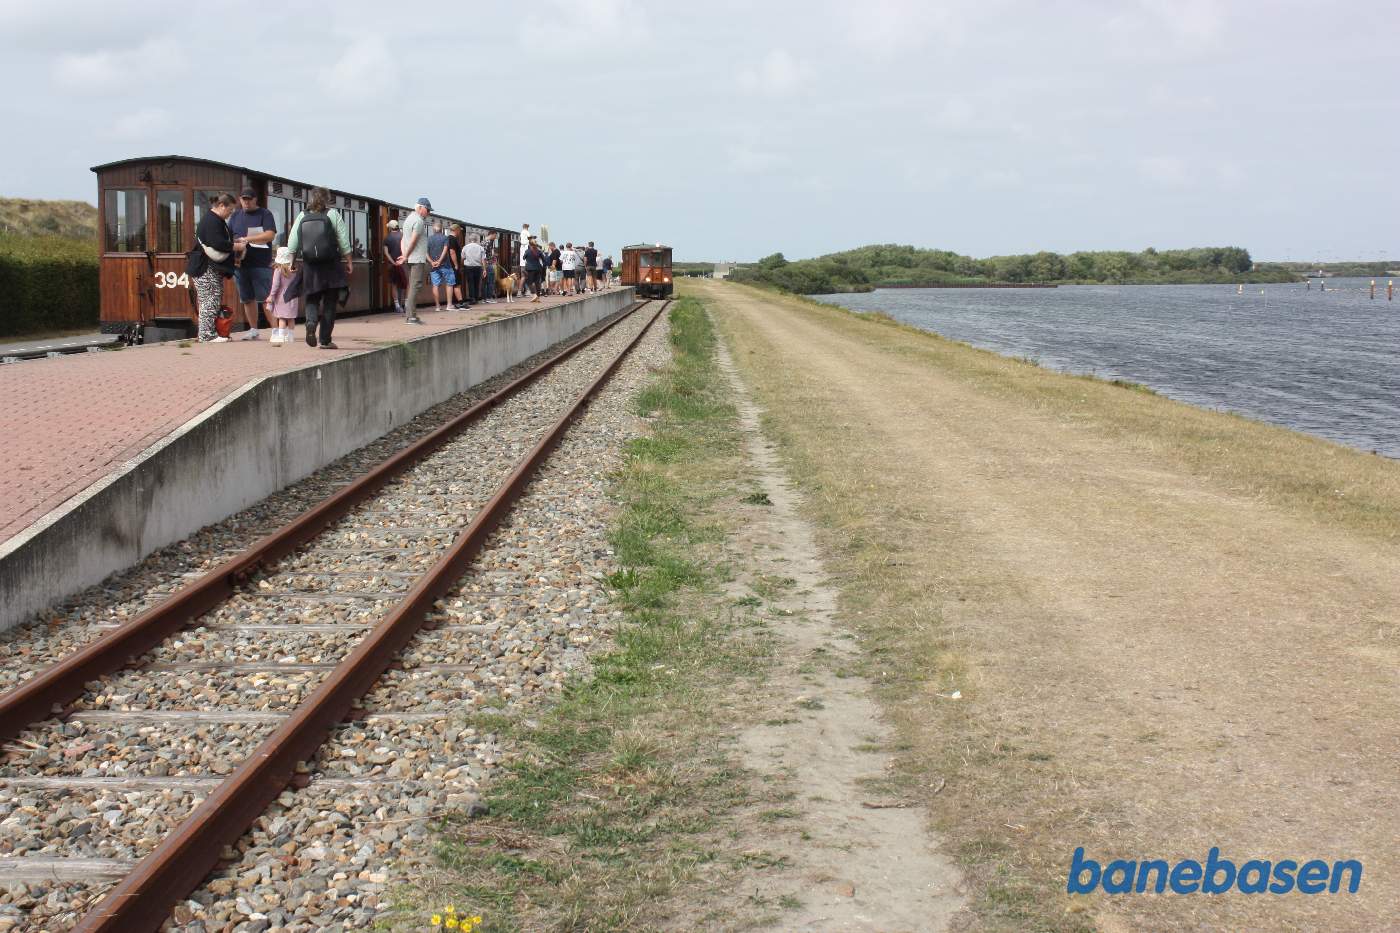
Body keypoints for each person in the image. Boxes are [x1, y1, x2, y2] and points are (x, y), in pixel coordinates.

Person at [285, 186, 352, 349]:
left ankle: (310, 323)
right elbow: (343, 240)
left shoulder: (302, 215)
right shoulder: (333, 214)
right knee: (330, 303)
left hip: (310, 266)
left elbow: (292, 242)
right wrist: (349, 261)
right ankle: (325, 340)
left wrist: (291, 262)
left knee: (312, 298)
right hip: (331, 265)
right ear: (327, 199)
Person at [229, 187, 277, 339]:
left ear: (255, 199)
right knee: (247, 298)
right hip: (240, 264)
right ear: (240, 199)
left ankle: (276, 330)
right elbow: (228, 235)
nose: (246, 202)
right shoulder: (235, 216)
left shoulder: (265, 214)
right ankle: (253, 330)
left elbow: (270, 235)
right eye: (244, 199)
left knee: (265, 299)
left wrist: (247, 239)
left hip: (261, 264)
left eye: (249, 199)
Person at [193, 193, 239, 342]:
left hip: (206, 267)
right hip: (205, 267)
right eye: (230, 210)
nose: (230, 214)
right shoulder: (213, 221)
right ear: (221, 206)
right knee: (210, 299)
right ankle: (206, 335)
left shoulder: (213, 219)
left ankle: (207, 333)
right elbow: (217, 242)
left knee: (211, 298)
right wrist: (235, 246)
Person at [399, 198, 432, 324]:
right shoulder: (418, 221)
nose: (428, 213)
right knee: (415, 286)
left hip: (410, 258)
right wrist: (406, 255)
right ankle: (411, 316)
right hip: (417, 258)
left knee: (411, 286)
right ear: (420, 207)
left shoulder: (408, 219)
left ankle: (411, 315)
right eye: (427, 210)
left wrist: (404, 254)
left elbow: (403, 240)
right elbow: (413, 240)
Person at [266, 246, 300, 345]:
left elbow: (275, 285)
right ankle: (290, 336)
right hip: (293, 296)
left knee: (282, 318)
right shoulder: (294, 270)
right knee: (291, 318)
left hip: (281, 297)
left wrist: (271, 296)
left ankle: (281, 336)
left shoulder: (278, 270)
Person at [427, 219, 455, 312]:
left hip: (434, 266)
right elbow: (445, 249)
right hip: (445, 264)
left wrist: (431, 262)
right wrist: (440, 260)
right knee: (449, 284)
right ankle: (449, 305)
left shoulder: (428, 239)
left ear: (433, 230)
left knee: (435, 285)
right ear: (442, 229)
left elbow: (425, 252)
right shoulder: (445, 238)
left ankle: (437, 306)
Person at [382, 218, 407, 312]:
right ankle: (406, 304)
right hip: (403, 263)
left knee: (394, 285)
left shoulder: (387, 238)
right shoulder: (403, 236)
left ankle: (397, 306)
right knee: (406, 284)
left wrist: (393, 262)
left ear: (390, 228)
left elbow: (386, 253)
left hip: (392, 265)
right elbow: (407, 248)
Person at [462, 233, 485, 305]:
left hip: (468, 267)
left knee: (470, 283)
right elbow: (483, 260)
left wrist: (461, 266)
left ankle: (472, 299)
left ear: (469, 240)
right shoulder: (480, 248)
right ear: (476, 240)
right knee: (477, 283)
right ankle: (476, 298)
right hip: (478, 267)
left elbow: (462, 258)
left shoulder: (465, 247)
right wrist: (484, 269)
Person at [523, 234, 545, 302]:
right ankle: (538, 298)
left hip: (530, 269)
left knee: (529, 282)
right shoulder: (539, 251)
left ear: (529, 244)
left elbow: (523, 258)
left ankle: (534, 294)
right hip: (538, 268)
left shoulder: (527, 251)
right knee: (537, 283)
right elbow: (544, 259)